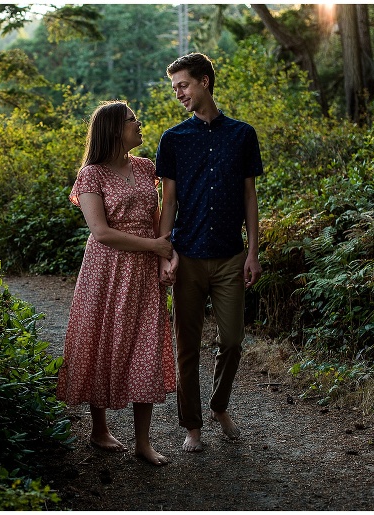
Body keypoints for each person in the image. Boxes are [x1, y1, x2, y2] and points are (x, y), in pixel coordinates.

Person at [56, 100, 177, 466]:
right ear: (112, 129)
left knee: (145, 343)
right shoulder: (91, 174)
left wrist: (165, 258)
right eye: (131, 121)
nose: (139, 124)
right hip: (105, 269)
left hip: (143, 272)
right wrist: (155, 246)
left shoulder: (145, 168)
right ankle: (99, 429)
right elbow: (101, 232)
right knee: (102, 339)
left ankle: (143, 441)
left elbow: (157, 217)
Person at [156, 53, 263, 452]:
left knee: (232, 341)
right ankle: (192, 427)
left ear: (204, 81)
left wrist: (253, 251)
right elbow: (168, 203)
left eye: (183, 85)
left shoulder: (242, 134)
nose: (178, 94)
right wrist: (165, 253)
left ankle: (220, 406)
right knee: (186, 347)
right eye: (175, 89)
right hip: (187, 257)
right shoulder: (173, 139)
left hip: (231, 256)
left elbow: (250, 196)